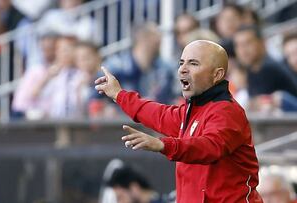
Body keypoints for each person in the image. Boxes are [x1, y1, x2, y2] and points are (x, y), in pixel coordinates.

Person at [95, 40, 263, 202]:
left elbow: (210, 147)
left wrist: (164, 145)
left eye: (193, 63)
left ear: (217, 74)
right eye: (181, 62)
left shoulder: (227, 111)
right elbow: (158, 114)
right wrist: (119, 95)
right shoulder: (192, 111)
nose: (182, 69)